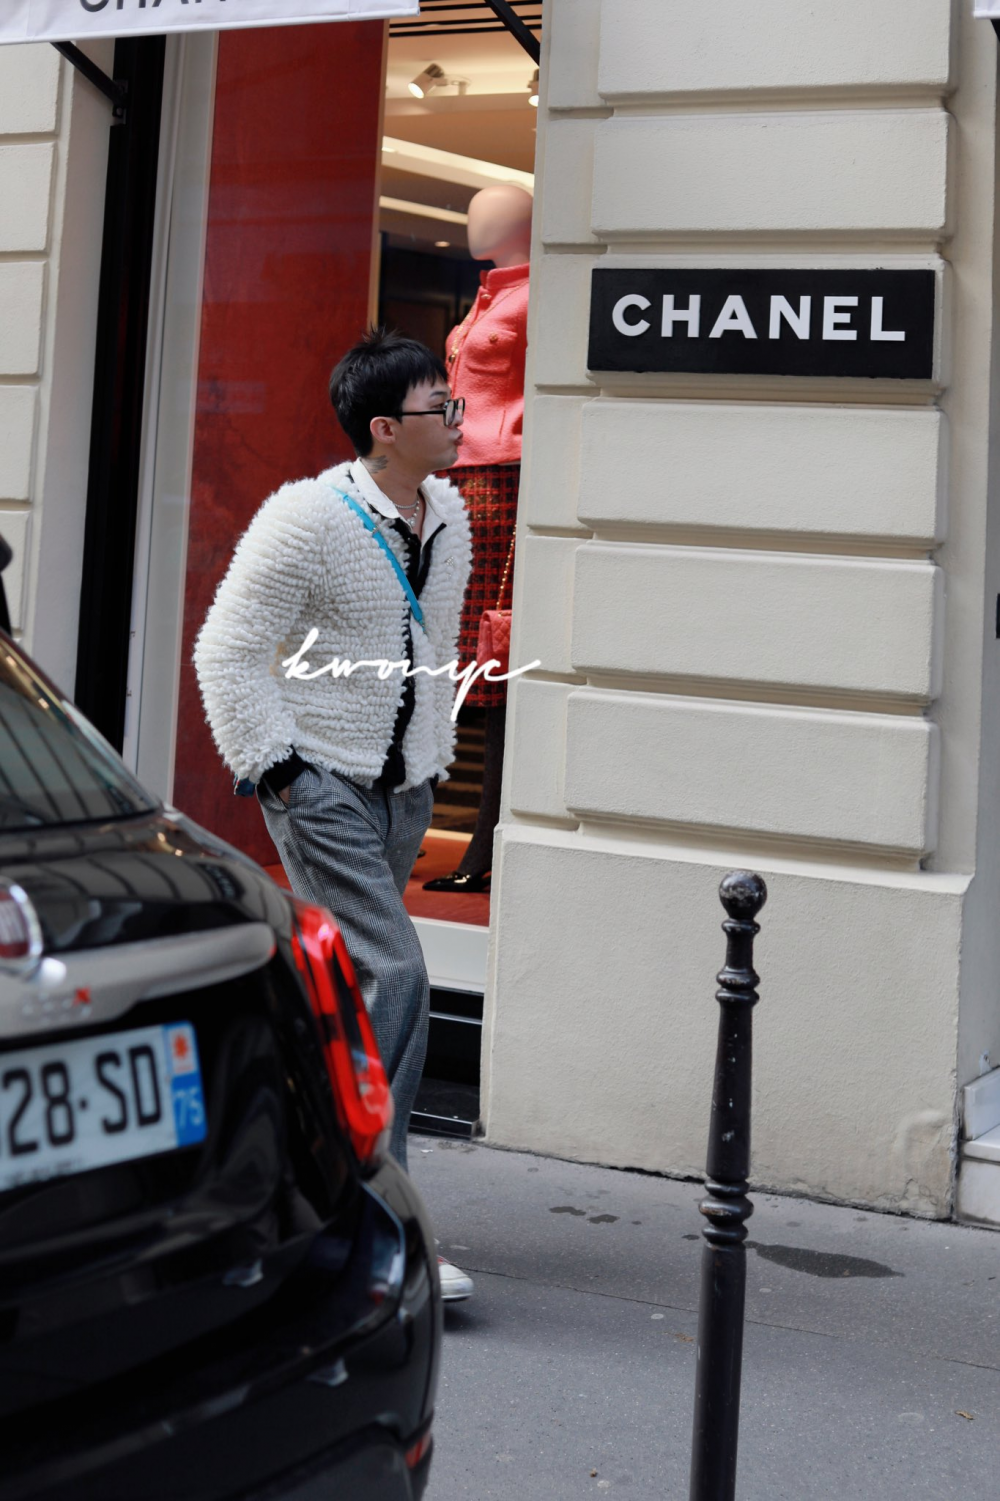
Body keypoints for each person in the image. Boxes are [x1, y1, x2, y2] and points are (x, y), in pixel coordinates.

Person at [194, 328, 475, 1301]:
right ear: (385, 428)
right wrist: (278, 771)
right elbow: (225, 650)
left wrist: (429, 754)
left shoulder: (450, 517)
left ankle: (269, 1174)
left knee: (340, 989)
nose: (458, 419)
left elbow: (426, 648)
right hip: (320, 779)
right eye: (443, 406)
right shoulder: (306, 516)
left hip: (404, 788)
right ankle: (377, 1211)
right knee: (394, 973)